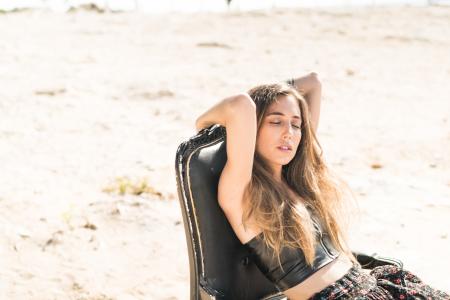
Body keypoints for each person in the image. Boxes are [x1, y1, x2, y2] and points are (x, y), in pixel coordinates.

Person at [195, 73, 449, 299]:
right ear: (253, 127)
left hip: (371, 285)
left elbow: (313, 83)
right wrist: (205, 124)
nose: (289, 133)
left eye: (296, 124)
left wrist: (281, 99)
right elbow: (240, 105)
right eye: (275, 121)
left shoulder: (298, 179)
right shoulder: (243, 192)